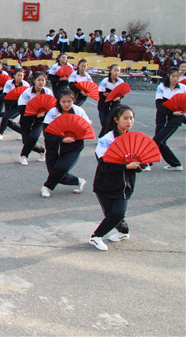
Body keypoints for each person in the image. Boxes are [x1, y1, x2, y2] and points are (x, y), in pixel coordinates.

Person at [89, 105, 145, 250]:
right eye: (125, 118)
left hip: (124, 186)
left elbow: (143, 163)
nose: (129, 121)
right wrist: (125, 166)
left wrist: (139, 165)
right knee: (112, 215)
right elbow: (104, 165)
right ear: (116, 119)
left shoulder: (134, 139)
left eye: (131, 118)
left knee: (118, 213)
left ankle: (96, 236)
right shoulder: (106, 140)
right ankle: (124, 232)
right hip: (105, 184)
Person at [40, 89, 92, 198]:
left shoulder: (79, 111)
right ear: (59, 101)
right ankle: (78, 181)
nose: (66, 104)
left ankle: (46, 187)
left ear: (73, 101)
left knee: (60, 169)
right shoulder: (53, 113)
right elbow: (47, 132)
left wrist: (75, 134)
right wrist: (61, 139)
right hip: (53, 145)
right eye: (63, 101)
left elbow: (86, 127)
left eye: (69, 101)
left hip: (73, 145)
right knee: (55, 172)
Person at [153, 67, 185, 171]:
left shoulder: (183, 88)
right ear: (168, 75)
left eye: (177, 76)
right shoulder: (161, 87)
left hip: (176, 117)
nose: (175, 79)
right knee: (160, 141)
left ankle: (146, 162)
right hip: (162, 115)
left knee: (157, 140)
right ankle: (175, 164)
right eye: (173, 76)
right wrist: (171, 112)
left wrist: (177, 113)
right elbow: (159, 105)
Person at [17, 72, 53, 166]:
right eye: (39, 80)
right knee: (26, 141)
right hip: (26, 119)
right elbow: (21, 109)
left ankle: (24, 156)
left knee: (33, 137)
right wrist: (35, 115)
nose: (41, 82)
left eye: (43, 80)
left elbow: (52, 107)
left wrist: (44, 115)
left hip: (40, 120)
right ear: (34, 81)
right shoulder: (27, 93)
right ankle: (41, 150)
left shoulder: (48, 92)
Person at [0, 68, 30, 140]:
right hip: (9, 103)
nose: (20, 77)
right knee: (7, 120)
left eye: (21, 76)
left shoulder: (26, 84)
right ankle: (24, 133)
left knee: (6, 117)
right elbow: (5, 94)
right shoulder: (9, 83)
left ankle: (0, 133)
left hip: (20, 106)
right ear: (14, 75)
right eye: (18, 75)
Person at [98, 64, 125, 128]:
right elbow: (100, 93)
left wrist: (119, 97)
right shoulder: (105, 81)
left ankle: (104, 134)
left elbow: (122, 93)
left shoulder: (121, 81)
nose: (117, 72)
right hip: (104, 104)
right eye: (115, 70)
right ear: (110, 71)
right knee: (103, 122)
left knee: (108, 121)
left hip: (115, 104)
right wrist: (105, 95)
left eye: (118, 71)